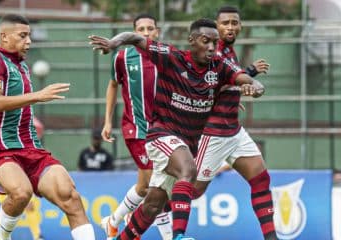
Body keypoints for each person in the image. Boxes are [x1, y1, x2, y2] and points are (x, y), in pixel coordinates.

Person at [89, 18, 264, 240]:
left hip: (187, 144)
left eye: (214, 42)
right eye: (205, 41)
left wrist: (255, 87)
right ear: (192, 41)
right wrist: (114, 42)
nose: (211, 47)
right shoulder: (171, 57)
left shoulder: (219, 66)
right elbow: (133, 38)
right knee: (188, 171)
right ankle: (178, 236)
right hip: (161, 135)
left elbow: (246, 79)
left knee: (152, 205)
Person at [0, 14, 95, 240]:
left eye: (29, 36)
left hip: (33, 149)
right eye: (23, 36)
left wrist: (35, 97)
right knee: (21, 193)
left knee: (70, 197)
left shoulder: (21, 67)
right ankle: (2, 238)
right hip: (4, 150)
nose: (29, 41)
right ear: (4, 36)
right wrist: (38, 96)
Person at [193, 6, 278, 240]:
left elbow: (226, 81)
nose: (230, 27)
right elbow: (204, 86)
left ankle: (272, 238)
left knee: (261, 178)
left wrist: (234, 93)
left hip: (234, 132)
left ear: (240, 26)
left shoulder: (229, 51)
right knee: (192, 193)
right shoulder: (213, 51)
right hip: (213, 134)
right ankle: (137, 220)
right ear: (216, 26)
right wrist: (248, 80)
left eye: (234, 23)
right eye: (225, 23)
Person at [100, 13, 172, 240]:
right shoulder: (122, 56)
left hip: (162, 130)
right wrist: (107, 121)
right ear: (133, 32)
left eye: (150, 29)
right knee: (155, 186)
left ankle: (112, 221)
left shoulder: (166, 55)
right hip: (136, 129)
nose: (146, 33)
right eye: (140, 29)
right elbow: (112, 85)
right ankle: (171, 236)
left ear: (157, 32)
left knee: (143, 187)